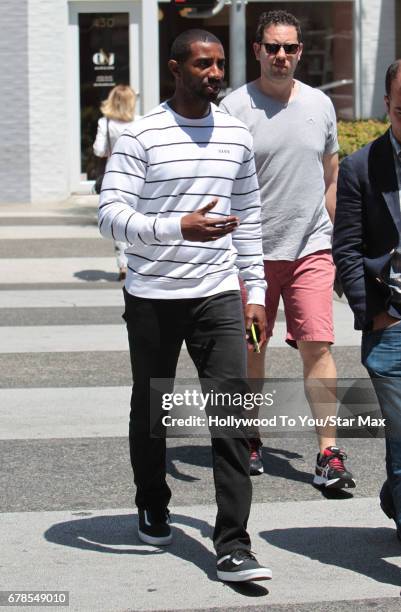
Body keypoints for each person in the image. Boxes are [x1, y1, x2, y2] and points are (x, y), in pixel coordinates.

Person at [98, 29, 272, 582]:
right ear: (176, 68)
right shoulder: (142, 136)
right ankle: (151, 499)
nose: (215, 73)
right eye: (203, 64)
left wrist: (257, 293)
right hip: (151, 297)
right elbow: (109, 214)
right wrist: (178, 226)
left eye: (220, 64)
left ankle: (233, 543)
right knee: (152, 410)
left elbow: (249, 218)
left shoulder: (237, 135)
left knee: (232, 413)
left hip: (219, 295)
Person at [220, 10, 355, 487]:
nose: (282, 56)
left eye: (290, 48)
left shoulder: (319, 105)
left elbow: (331, 176)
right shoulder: (234, 108)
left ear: (300, 51)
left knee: (317, 345)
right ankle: (250, 437)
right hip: (252, 258)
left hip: (310, 251)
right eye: (273, 47)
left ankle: (328, 454)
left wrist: (340, 247)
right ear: (257, 49)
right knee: (253, 351)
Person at [333, 59, 401, 541]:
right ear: (387, 105)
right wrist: (375, 315)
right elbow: (347, 249)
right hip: (393, 322)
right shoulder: (361, 168)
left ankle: (395, 497)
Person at [93, 84, 137, 280]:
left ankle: (123, 265)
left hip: (115, 178)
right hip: (138, 178)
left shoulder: (106, 123)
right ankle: (137, 261)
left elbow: (98, 150)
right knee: (137, 220)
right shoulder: (140, 121)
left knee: (118, 221)